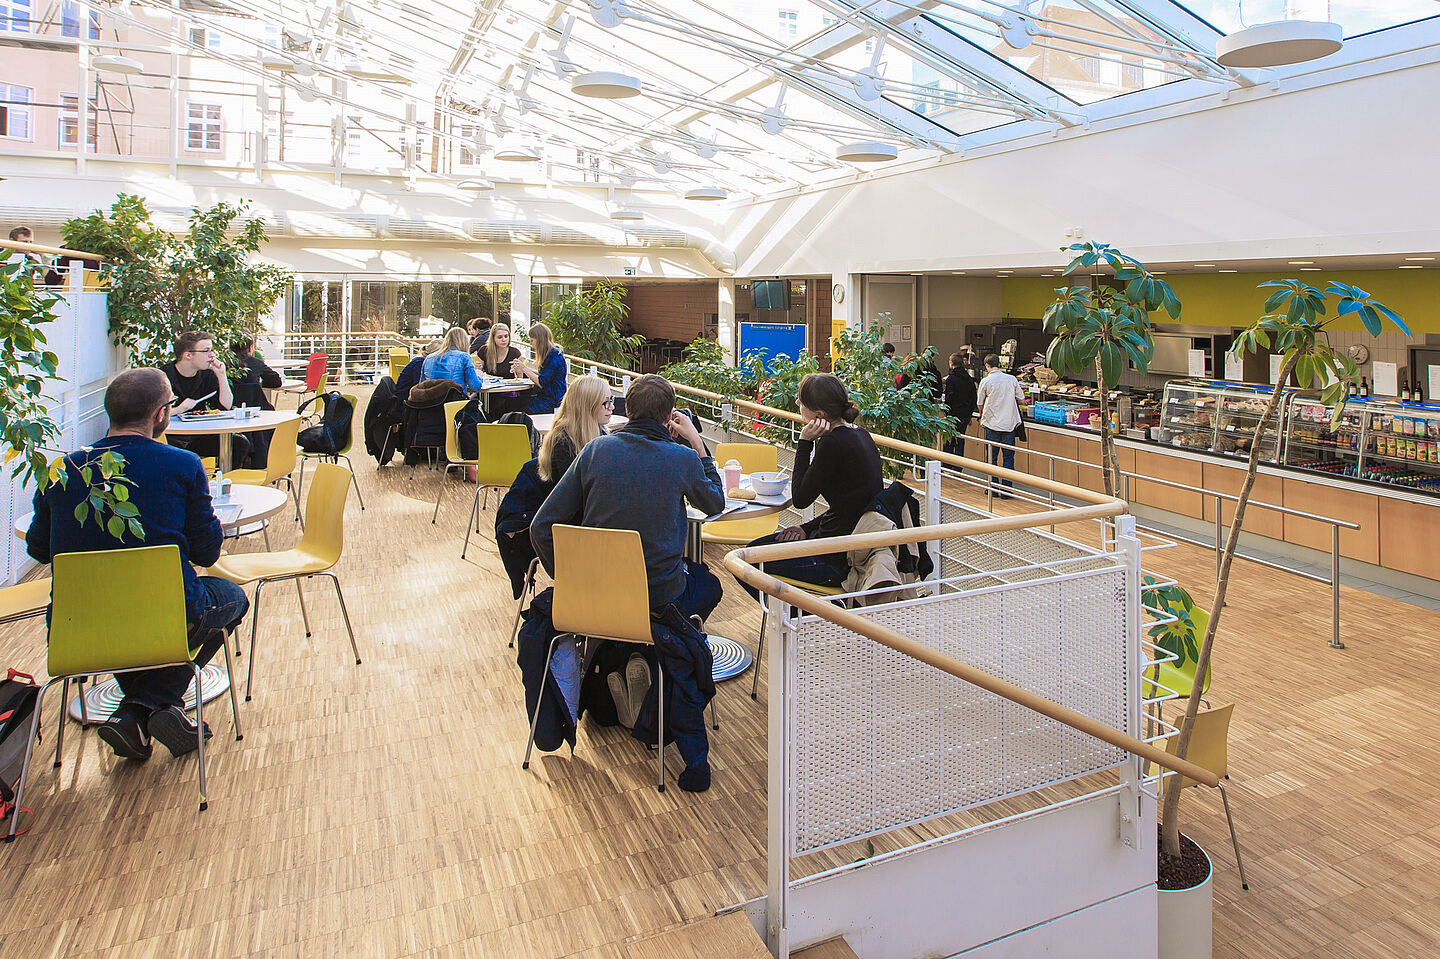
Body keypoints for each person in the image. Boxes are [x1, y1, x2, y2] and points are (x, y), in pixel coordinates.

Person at [25, 368, 249, 760]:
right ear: (162, 414)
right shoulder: (182, 465)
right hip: (167, 616)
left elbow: (40, 550)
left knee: (132, 624)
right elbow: (208, 554)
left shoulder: (62, 470)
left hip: (78, 629)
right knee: (231, 596)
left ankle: (135, 713)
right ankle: (147, 706)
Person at [527, 374, 724, 790]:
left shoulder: (596, 451)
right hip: (655, 604)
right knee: (707, 583)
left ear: (627, 411)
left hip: (591, 603)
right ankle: (653, 676)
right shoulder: (681, 458)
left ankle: (624, 661)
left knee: (671, 595)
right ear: (670, 416)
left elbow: (543, 525)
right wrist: (699, 445)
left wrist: (570, 580)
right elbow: (715, 503)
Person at [737, 373, 883, 598]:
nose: (797, 403)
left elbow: (801, 498)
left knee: (744, 563)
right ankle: (795, 621)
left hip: (833, 559)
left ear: (819, 415)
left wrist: (804, 442)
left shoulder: (833, 443)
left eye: (801, 401)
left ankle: (796, 621)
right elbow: (849, 506)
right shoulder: (861, 434)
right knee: (752, 551)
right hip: (845, 544)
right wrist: (806, 529)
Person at [162, 330, 248, 467]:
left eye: (212, 350)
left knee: (239, 443)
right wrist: (178, 409)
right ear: (188, 355)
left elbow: (226, 406)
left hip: (198, 436)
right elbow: (152, 413)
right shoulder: (163, 377)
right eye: (206, 351)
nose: (212, 355)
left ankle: (223, 483)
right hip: (170, 438)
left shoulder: (206, 376)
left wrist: (221, 375)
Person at [536, 374, 613, 483]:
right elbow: (576, 491)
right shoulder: (563, 442)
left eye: (611, 400)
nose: (611, 407)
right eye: (605, 402)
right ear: (587, 406)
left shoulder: (601, 432)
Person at [975, 352, 1025, 495]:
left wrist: (983, 412)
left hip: (991, 424)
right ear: (999, 364)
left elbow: (980, 404)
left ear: (987, 365)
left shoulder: (985, 381)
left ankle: (993, 488)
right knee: (1008, 457)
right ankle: (1007, 489)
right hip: (1009, 424)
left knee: (992, 457)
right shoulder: (1011, 379)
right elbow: (1021, 399)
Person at [228, 336, 282, 469]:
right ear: (251, 348)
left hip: (229, 416)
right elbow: (275, 381)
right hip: (257, 416)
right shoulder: (256, 363)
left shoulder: (223, 365)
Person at [515, 322, 568, 414]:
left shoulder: (553, 355)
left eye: (532, 340)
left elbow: (541, 382)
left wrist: (524, 368)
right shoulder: (552, 354)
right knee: (516, 402)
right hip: (552, 398)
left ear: (539, 340)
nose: (530, 343)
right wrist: (526, 370)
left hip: (551, 401)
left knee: (514, 405)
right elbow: (545, 375)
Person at [481, 322, 525, 416]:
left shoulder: (515, 353)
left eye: (506, 336)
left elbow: (520, 378)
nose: (504, 339)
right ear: (493, 338)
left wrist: (518, 371)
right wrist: (478, 369)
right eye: (500, 337)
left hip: (507, 393)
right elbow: (477, 372)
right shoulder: (484, 351)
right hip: (488, 393)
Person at [422, 327, 485, 391]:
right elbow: (475, 386)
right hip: (455, 398)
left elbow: (422, 385)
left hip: (431, 399)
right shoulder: (464, 357)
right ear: (464, 341)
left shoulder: (429, 358)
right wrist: (478, 373)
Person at [943, 351, 977, 461]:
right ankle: (958, 466)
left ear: (951, 363)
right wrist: (969, 414)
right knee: (960, 440)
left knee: (948, 440)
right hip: (965, 415)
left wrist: (946, 411)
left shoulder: (951, 379)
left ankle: (948, 464)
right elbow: (973, 397)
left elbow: (949, 397)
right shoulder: (969, 379)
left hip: (952, 414)